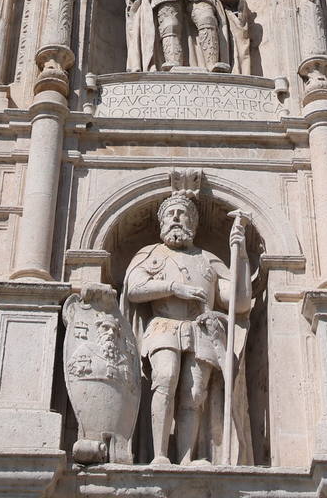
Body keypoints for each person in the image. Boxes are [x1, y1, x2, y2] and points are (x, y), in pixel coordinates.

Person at [122, 192, 252, 464]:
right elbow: (133, 289)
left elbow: (238, 303)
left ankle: (185, 458)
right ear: (162, 223)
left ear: (193, 223)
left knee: (194, 394)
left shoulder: (209, 260)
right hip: (163, 326)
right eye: (170, 214)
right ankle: (159, 455)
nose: (176, 219)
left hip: (201, 330)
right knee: (165, 378)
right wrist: (174, 288)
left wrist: (240, 258)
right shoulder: (151, 254)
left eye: (182, 214)